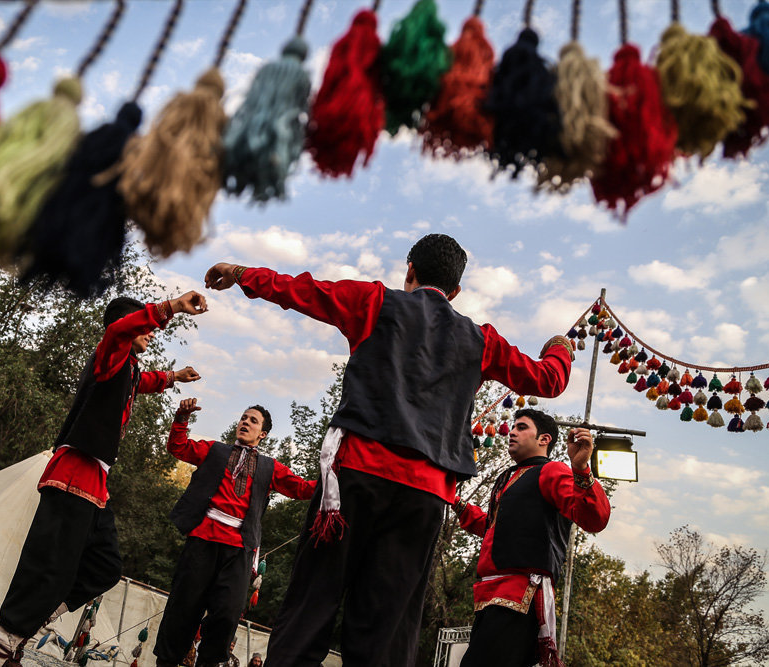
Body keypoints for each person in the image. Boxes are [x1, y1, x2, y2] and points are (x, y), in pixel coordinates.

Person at [203, 233, 576, 666]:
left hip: (354, 483)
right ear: (455, 291)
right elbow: (548, 380)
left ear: (410, 272)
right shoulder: (481, 340)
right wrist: (559, 348)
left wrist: (242, 273)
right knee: (386, 629)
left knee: (312, 605)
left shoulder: (376, 302)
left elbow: (302, 290)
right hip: (425, 497)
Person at [0, 292, 207, 667]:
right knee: (49, 563)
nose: (150, 334)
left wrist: (173, 377)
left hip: (96, 480)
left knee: (105, 565)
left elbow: (141, 381)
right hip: (74, 471)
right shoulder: (110, 354)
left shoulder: (126, 369)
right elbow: (119, 331)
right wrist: (171, 307)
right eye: (142, 328)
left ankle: (28, 623)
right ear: (128, 327)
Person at [154, 400, 316, 667]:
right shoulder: (214, 450)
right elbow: (178, 447)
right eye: (244, 417)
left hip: (239, 548)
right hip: (202, 540)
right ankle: (167, 662)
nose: (245, 422)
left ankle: (209, 662)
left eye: (253, 421)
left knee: (228, 613)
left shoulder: (270, 467)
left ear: (262, 434)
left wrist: (335, 477)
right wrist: (182, 417)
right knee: (184, 607)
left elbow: (301, 488)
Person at [453, 410, 610, 667]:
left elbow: (595, 519)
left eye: (521, 427)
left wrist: (581, 468)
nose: (512, 432)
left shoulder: (552, 472)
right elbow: (494, 529)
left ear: (544, 439)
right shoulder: (506, 478)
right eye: (513, 426)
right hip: (489, 594)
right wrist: (457, 503)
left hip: (519, 594)